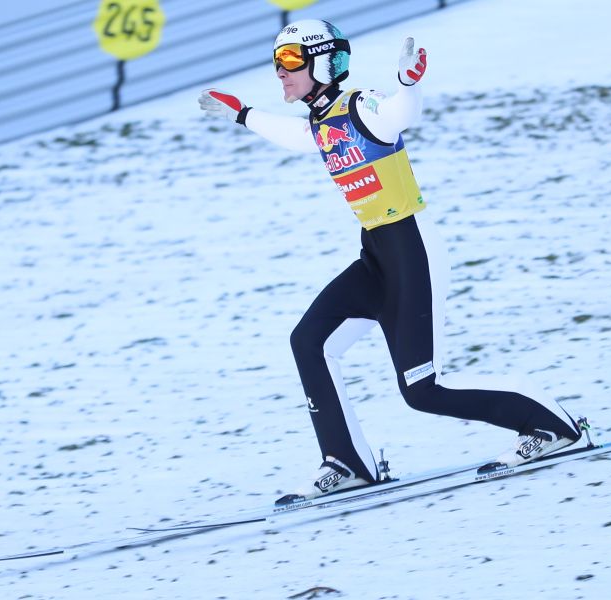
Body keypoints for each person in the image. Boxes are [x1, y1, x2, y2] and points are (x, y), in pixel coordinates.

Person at [198, 19, 581, 502]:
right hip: (376, 254)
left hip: (412, 251)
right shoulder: (319, 121)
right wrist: (243, 115)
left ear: (322, 60)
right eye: (277, 62)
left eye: (291, 60)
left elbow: (399, 114)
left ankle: (552, 426)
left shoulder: (361, 105)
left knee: (423, 390)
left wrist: (408, 84)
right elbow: (301, 138)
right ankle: (347, 462)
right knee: (309, 342)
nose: (281, 71)